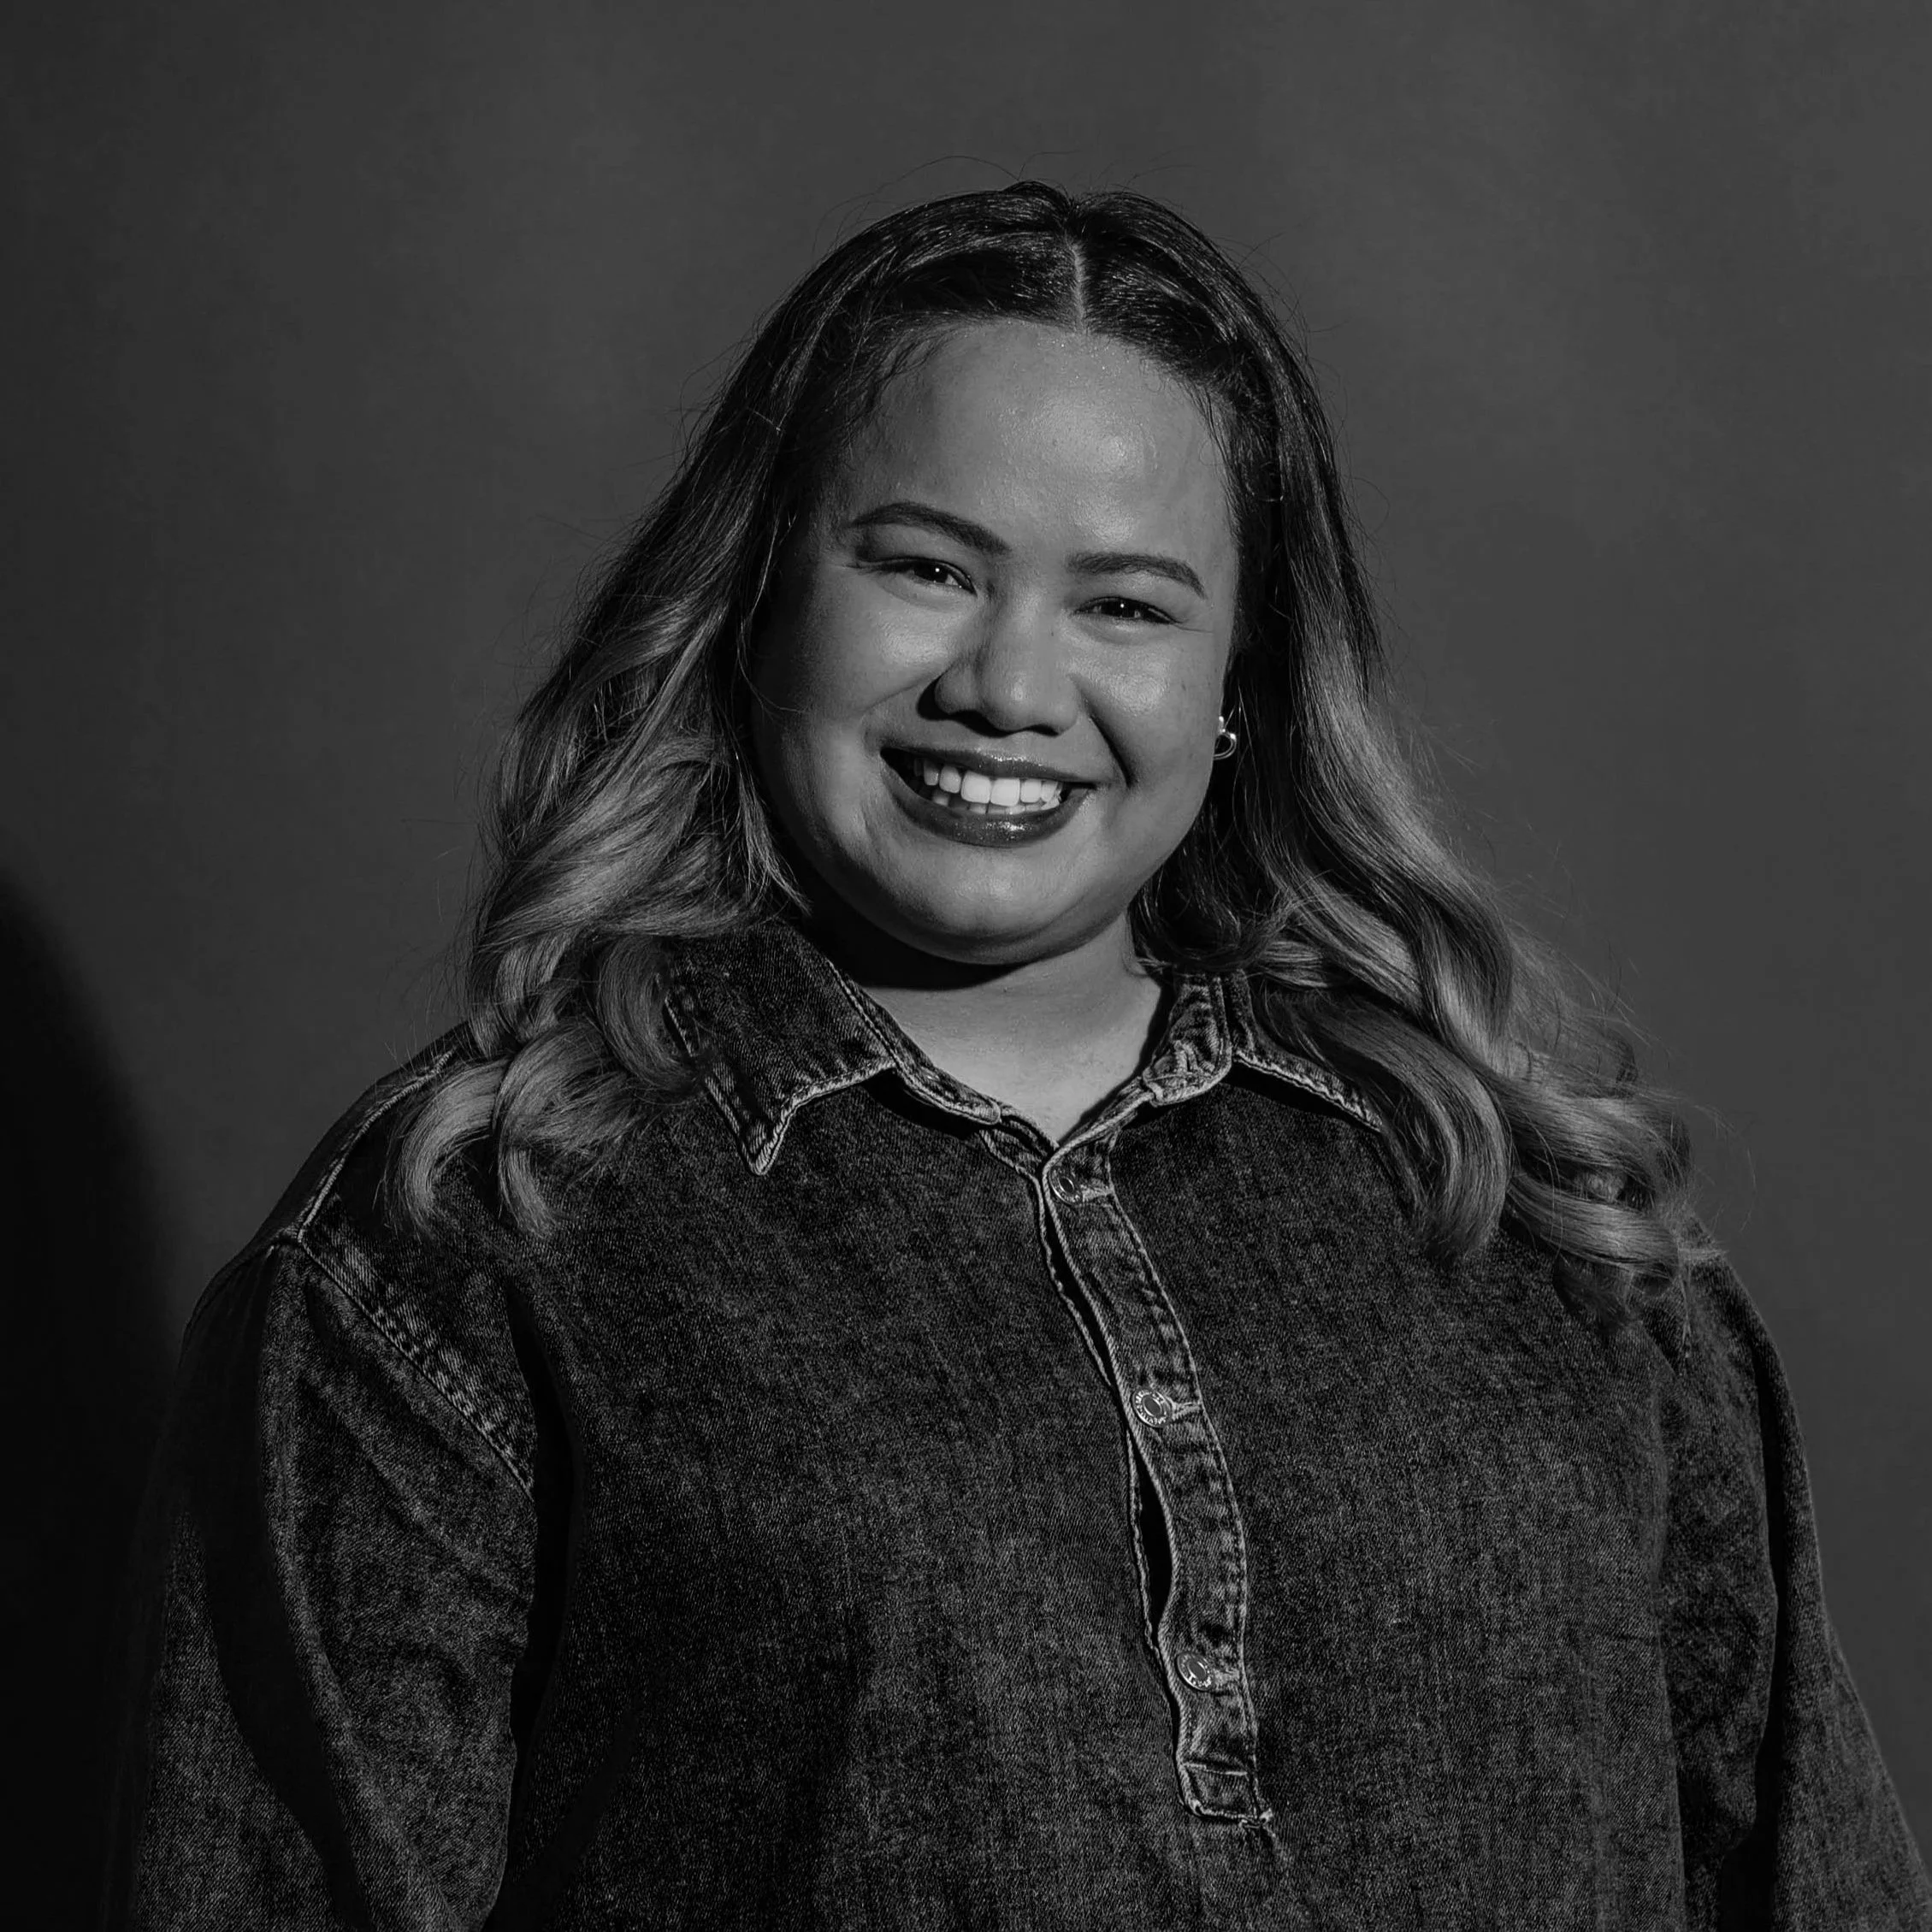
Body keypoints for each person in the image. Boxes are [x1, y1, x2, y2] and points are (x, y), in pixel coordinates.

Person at [107, 182, 1929, 1929]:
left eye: (1124, 602)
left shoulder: (1524, 1202)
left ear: (1238, 685)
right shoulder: (470, 1230)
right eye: (924, 566)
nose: (1007, 684)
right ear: (755, 605)